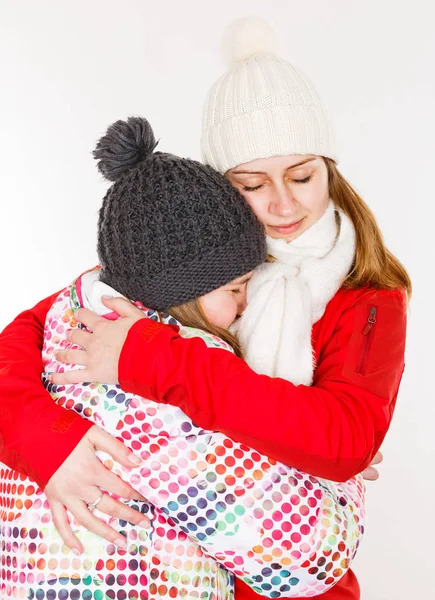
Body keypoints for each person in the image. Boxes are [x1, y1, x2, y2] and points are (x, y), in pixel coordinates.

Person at [0, 17, 409, 600]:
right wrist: (51, 441)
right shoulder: (179, 256)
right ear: (220, 187)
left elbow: (343, 441)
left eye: (302, 175)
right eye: (251, 183)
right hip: (159, 569)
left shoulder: (367, 297)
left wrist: (151, 357)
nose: (283, 202)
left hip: (293, 578)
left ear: (330, 172)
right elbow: (35, 336)